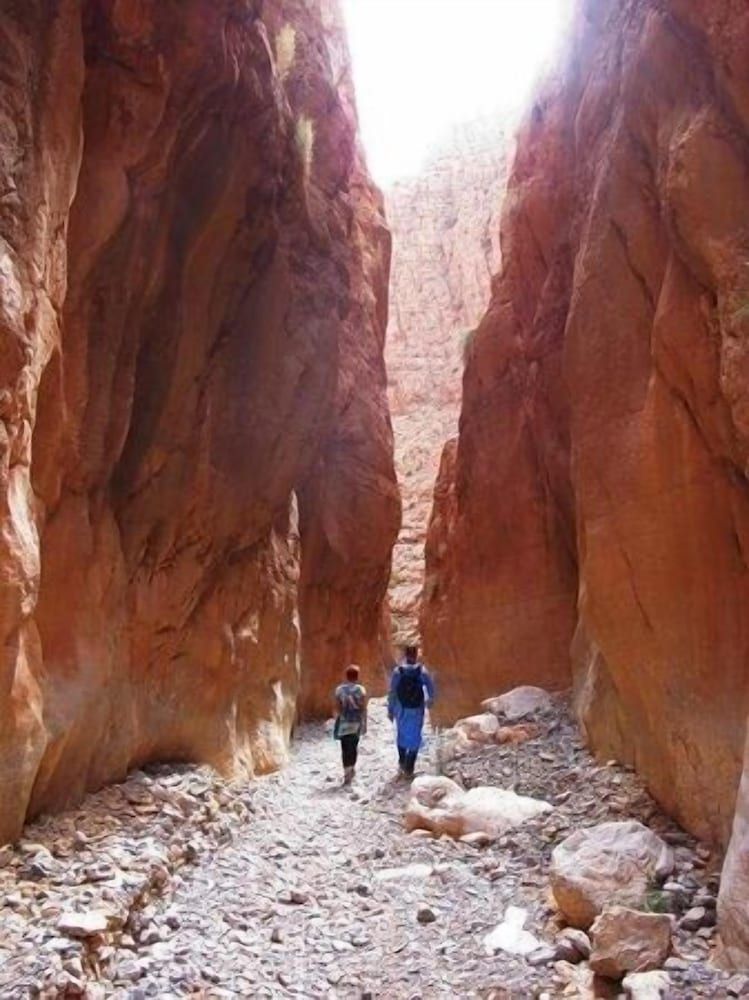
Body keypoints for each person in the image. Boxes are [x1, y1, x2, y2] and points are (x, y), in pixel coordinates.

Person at [388, 644, 435, 779]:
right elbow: (431, 688)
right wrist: (430, 701)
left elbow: (392, 692)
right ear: (416, 655)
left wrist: (391, 710)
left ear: (406, 655)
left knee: (401, 734)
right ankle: (409, 768)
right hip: (417, 708)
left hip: (401, 708)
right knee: (416, 736)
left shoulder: (398, 671)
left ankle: (402, 762)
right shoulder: (422, 671)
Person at [333, 665, 367, 785]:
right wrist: (364, 723)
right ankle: (352, 767)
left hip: (344, 723)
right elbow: (363, 708)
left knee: (344, 747)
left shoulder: (339, 690)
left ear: (346, 676)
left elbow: (337, 708)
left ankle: (346, 771)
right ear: (357, 677)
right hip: (356, 722)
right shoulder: (361, 690)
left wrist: (337, 720)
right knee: (353, 746)